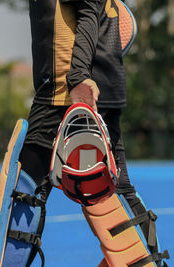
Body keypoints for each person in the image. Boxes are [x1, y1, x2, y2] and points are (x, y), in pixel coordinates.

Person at [20, 0, 137, 203]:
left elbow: (88, 14)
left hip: (63, 91)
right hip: (103, 82)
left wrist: (78, 77)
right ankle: (140, 234)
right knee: (116, 191)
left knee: (27, 188)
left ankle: (12, 236)